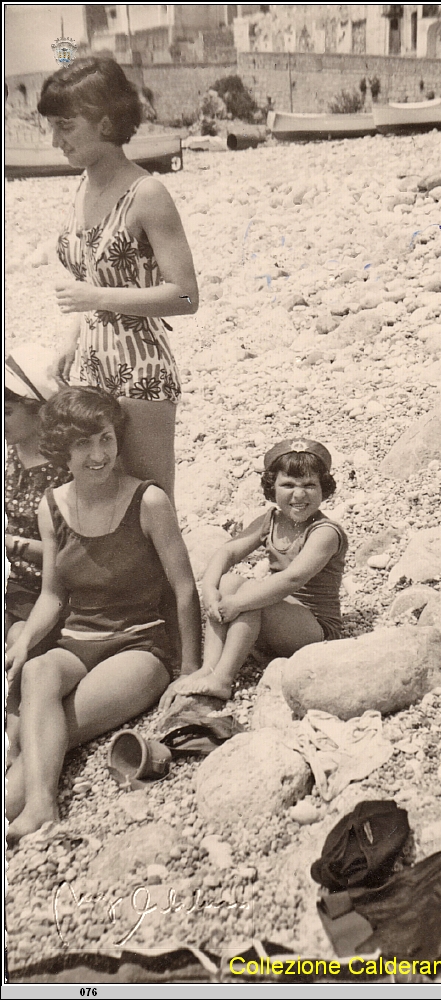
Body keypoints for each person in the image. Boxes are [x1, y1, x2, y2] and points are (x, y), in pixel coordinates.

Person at [5, 387, 202, 843]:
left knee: (44, 739)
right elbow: (52, 596)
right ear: (62, 450)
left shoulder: (148, 502)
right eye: (83, 444)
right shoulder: (51, 506)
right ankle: (38, 805)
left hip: (139, 646)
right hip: (77, 641)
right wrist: (21, 641)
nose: (98, 455)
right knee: (36, 671)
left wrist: (189, 669)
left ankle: (39, 806)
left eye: (106, 439)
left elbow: (184, 587)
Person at [36, 56, 199, 501]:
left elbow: (185, 297)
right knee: (100, 506)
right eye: (53, 127)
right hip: (88, 367)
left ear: (106, 122)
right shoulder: (83, 187)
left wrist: (93, 296)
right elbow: (92, 280)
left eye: (66, 126)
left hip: (139, 369)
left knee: (149, 503)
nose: (55, 141)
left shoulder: (147, 194)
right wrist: (70, 342)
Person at [160, 439, 348, 707]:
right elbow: (228, 552)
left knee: (250, 592)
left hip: (315, 629)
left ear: (323, 489)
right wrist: (211, 589)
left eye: (309, 485)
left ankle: (223, 678)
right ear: (272, 487)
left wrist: (238, 603)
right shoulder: (271, 520)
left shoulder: (325, 532)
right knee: (229, 581)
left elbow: (291, 579)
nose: (299, 495)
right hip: (278, 615)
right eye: (288, 485)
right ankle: (209, 668)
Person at [5, 344, 70, 646]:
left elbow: (76, 552)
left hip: (49, 591)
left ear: (40, 409)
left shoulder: (66, 468)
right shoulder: (9, 455)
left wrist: (14, 545)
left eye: (7, 411)